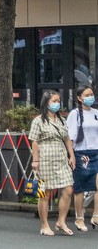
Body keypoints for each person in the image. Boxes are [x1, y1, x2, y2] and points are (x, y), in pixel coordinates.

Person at [30, 90, 75, 236]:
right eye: (54, 101)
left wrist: (71, 155)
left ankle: (61, 221)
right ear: (46, 102)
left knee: (68, 189)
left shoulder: (61, 120)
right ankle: (44, 225)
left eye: (58, 101)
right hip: (45, 160)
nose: (57, 104)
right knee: (45, 193)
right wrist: (35, 160)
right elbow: (35, 141)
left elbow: (67, 138)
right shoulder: (38, 120)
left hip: (61, 158)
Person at [66, 85, 98, 231]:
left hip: (96, 151)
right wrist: (71, 156)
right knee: (80, 188)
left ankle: (96, 216)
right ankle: (79, 219)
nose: (90, 97)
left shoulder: (96, 113)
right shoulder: (75, 114)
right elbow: (70, 137)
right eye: (87, 95)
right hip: (81, 153)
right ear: (79, 98)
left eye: (91, 94)